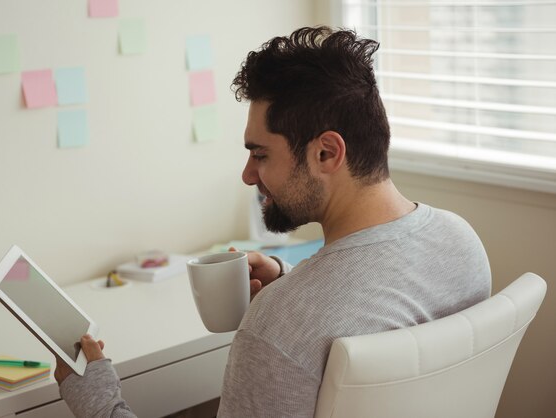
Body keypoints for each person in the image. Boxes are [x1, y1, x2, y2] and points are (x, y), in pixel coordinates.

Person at [56, 26, 491, 417]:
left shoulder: (279, 325)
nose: (247, 175)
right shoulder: (462, 242)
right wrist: (291, 280)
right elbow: (374, 306)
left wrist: (98, 401)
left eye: (260, 154)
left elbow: (326, 317)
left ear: (326, 153)